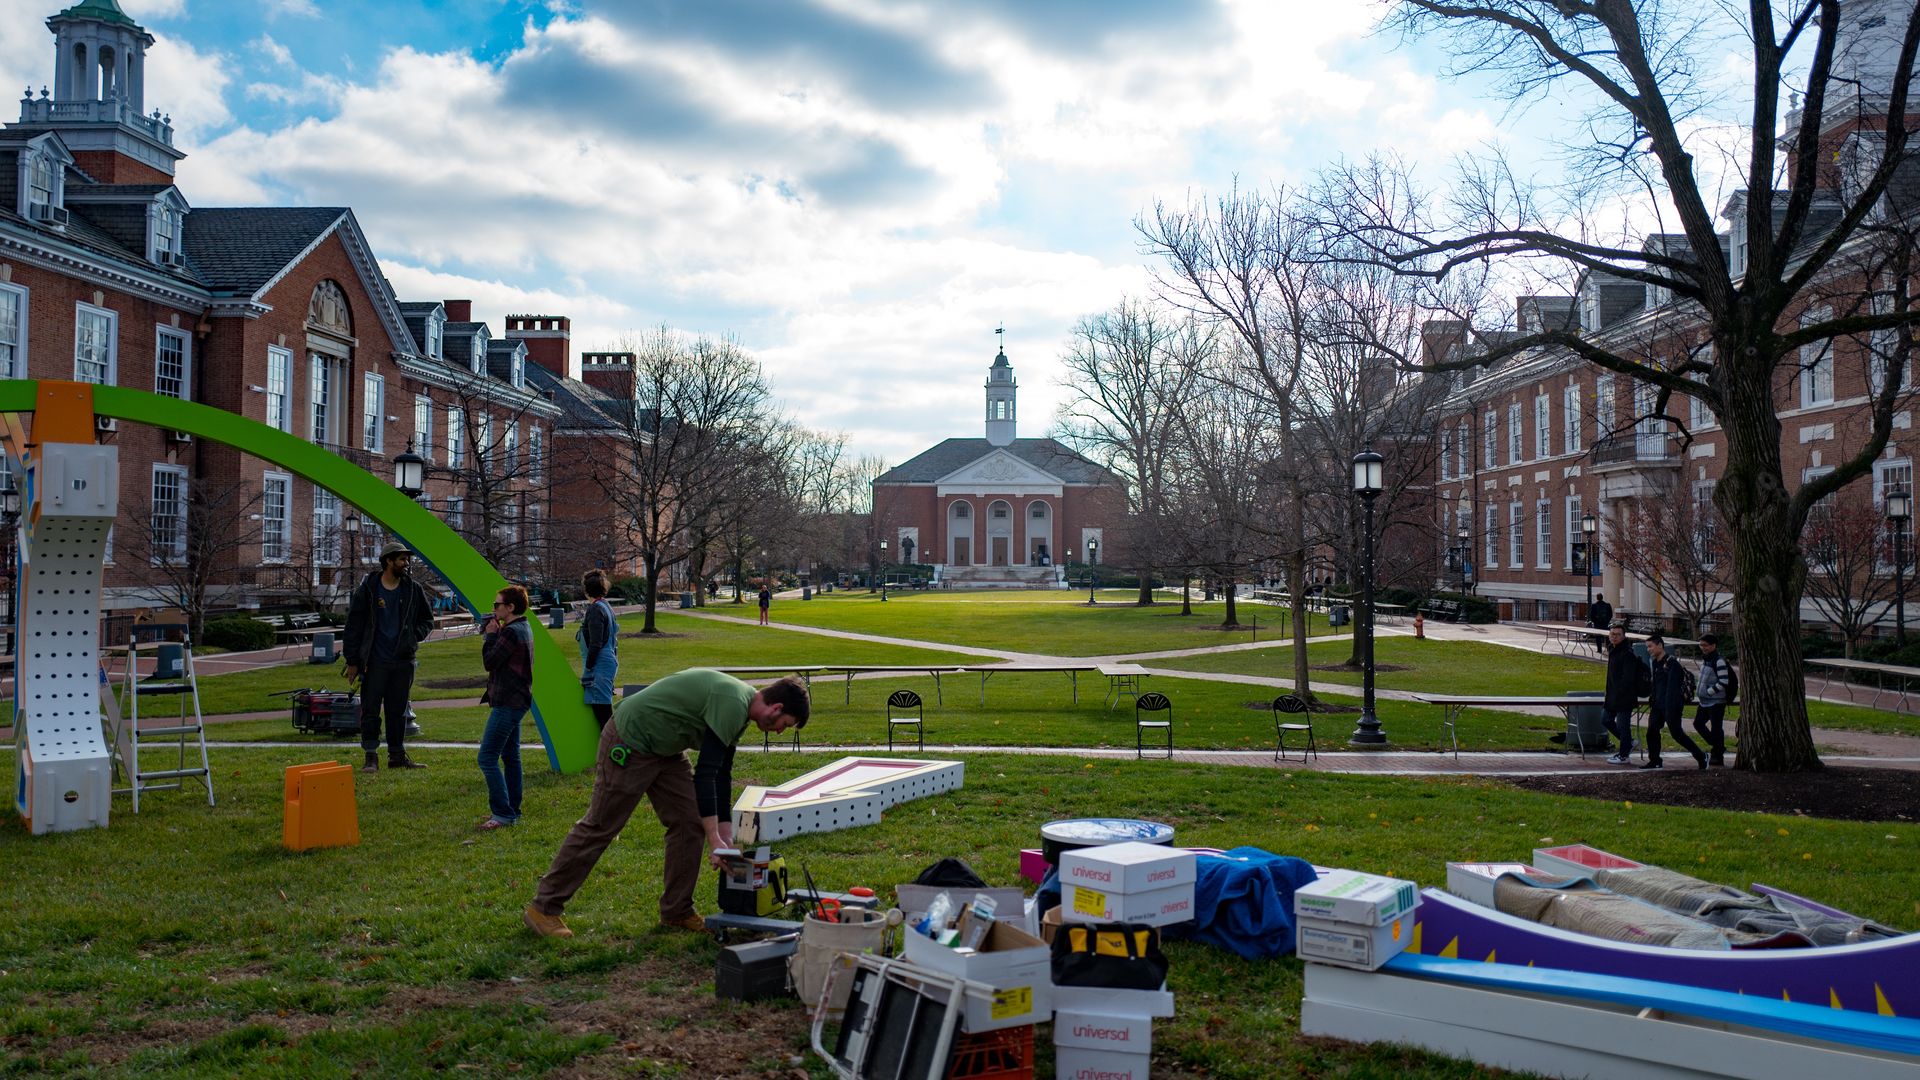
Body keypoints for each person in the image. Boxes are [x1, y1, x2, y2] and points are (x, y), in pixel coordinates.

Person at [522, 670, 810, 938]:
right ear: (777, 709)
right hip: (631, 740)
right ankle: (543, 908)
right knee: (601, 826)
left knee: (689, 823)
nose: (780, 732)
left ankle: (676, 911)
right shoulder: (733, 702)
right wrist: (715, 841)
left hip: (666, 750)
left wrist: (726, 838)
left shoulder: (741, 710)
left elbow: (722, 776)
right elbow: (706, 773)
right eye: (785, 726)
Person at [342, 542, 436, 772]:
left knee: (397, 710)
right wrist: (353, 661)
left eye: (407, 559)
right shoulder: (369, 589)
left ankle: (397, 755)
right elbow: (353, 625)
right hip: (374, 661)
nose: (407, 563)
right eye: (402, 559)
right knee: (371, 709)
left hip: (403, 661)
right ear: (388, 561)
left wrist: (413, 637)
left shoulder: (413, 589)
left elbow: (427, 620)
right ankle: (370, 756)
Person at [477, 585, 534, 829]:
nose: (493, 609)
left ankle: (502, 813)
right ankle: (512, 810)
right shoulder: (522, 627)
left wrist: (491, 636)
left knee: (487, 757)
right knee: (511, 756)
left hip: (508, 703)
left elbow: (490, 662)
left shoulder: (511, 632)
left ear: (510, 608)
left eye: (497, 605)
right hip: (517, 700)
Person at [1642, 634, 1707, 770]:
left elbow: (1672, 688)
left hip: (1671, 706)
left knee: (1677, 734)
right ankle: (1655, 760)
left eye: (1650, 646)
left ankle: (1701, 756)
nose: (1649, 650)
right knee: (1652, 732)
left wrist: (1669, 708)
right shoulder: (1655, 662)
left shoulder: (1672, 663)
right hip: (1658, 705)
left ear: (1660, 645)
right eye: (1647, 647)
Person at [1601, 624, 1649, 764]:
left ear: (1623, 636)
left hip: (1624, 697)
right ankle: (1628, 743)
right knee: (1605, 720)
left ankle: (1624, 755)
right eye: (1612, 634)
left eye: (1617, 634)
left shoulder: (1627, 653)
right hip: (1612, 696)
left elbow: (1628, 678)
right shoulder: (1613, 650)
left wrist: (1620, 691)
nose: (1614, 637)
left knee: (1623, 726)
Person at [578, 569, 619, 731]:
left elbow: (595, 643)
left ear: (586, 589)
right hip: (608, 661)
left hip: (599, 666)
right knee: (604, 714)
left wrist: (588, 668)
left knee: (604, 719)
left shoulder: (595, 609)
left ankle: (612, 752)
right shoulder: (606, 606)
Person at [1692, 633, 1733, 767]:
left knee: (1716, 728)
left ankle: (1718, 754)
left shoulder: (1718, 660)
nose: (1703, 648)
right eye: (1701, 645)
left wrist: (1709, 692)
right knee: (1698, 723)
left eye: (1705, 645)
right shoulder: (1706, 659)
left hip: (1716, 701)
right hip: (1704, 701)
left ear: (1713, 645)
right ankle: (1718, 746)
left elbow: (1724, 681)